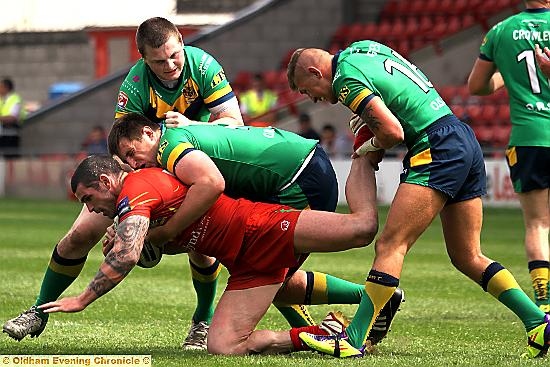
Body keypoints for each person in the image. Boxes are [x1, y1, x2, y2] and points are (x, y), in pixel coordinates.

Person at [285, 41, 550, 359]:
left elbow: (393, 134)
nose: (311, 98)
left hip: (435, 146)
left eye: (307, 90)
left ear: (316, 72)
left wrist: (370, 142)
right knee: (468, 256)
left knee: (390, 245)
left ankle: (353, 340)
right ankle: (537, 322)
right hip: (460, 136)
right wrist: (373, 117)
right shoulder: (363, 49)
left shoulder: (344, 79)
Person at [2, 16, 243, 350]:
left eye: (174, 54)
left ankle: (202, 321)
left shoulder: (203, 66)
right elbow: (121, 149)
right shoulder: (135, 84)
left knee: (200, 247)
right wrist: (123, 216)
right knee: (79, 235)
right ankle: (38, 309)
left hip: (194, 168)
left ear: (181, 43)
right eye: (158, 61)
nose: (170, 64)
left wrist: (191, 127)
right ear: (143, 58)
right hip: (146, 172)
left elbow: (235, 122)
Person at [107, 112, 405, 345]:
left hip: (297, 179)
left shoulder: (168, 148)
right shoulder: (180, 132)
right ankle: (371, 300)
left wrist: (166, 232)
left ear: (149, 132)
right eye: (126, 161)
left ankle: (357, 309)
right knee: (260, 271)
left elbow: (211, 184)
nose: (133, 164)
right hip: (302, 163)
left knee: (263, 274)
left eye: (132, 153)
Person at [39, 153, 380, 355]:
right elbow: (155, 249)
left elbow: (128, 256)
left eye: (88, 199)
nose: (92, 209)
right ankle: (324, 334)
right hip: (245, 266)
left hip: (260, 228)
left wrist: (81, 299)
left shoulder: (136, 187)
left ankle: (363, 154)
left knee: (360, 230)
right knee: (224, 346)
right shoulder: (132, 206)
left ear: (105, 181)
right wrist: (134, 242)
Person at [468, 0, 550, 314]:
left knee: (538, 225)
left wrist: (507, 75)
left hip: (528, 138)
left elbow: (477, 86)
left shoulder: (500, 32)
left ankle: (544, 302)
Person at [0, 77, 26, 157]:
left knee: (11, 160)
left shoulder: (15, 99)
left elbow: (12, 118)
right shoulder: (2, 99)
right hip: (2, 134)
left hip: (11, 136)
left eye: (0, 87)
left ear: (6, 88)